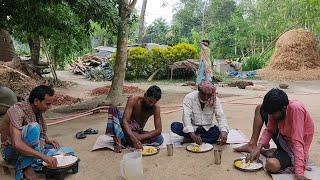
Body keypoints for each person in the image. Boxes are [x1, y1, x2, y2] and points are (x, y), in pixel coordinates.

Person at [0, 85, 75, 180]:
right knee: (34, 127)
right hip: (11, 152)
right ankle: (26, 166)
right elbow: (17, 144)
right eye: (47, 104)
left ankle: (35, 162)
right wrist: (44, 157)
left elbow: (39, 135)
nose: (49, 107)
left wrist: (48, 141)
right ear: (36, 101)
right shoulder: (17, 111)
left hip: (32, 149)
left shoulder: (37, 112)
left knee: (68, 152)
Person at [247, 89, 314, 180]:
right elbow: (269, 129)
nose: (271, 116)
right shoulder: (276, 111)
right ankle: (256, 147)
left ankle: (273, 153)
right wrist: (258, 147)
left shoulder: (296, 109)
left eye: (273, 114)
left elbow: (297, 142)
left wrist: (299, 173)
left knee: (271, 165)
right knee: (260, 108)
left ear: (284, 108)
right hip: (283, 137)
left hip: (294, 147)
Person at [106, 85, 163, 153]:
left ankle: (128, 142)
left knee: (159, 138)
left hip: (137, 133)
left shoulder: (155, 108)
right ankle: (119, 141)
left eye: (154, 103)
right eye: (150, 101)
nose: (151, 104)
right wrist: (133, 138)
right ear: (145, 95)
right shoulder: (133, 99)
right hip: (126, 131)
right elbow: (125, 121)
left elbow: (158, 130)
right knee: (112, 109)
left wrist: (139, 138)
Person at [171, 81, 229, 145]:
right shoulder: (189, 97)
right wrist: (192, 134)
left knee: (217, 133)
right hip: (193, 127)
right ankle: (199, 138)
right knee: (175, 126)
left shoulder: (216, 100)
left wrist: (224, 132)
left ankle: (191, 139)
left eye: (208, 95)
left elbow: (220, 116)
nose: (206, 97)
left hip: (207, 128)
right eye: (203, 94)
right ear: (199, 90)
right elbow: (186, 117)